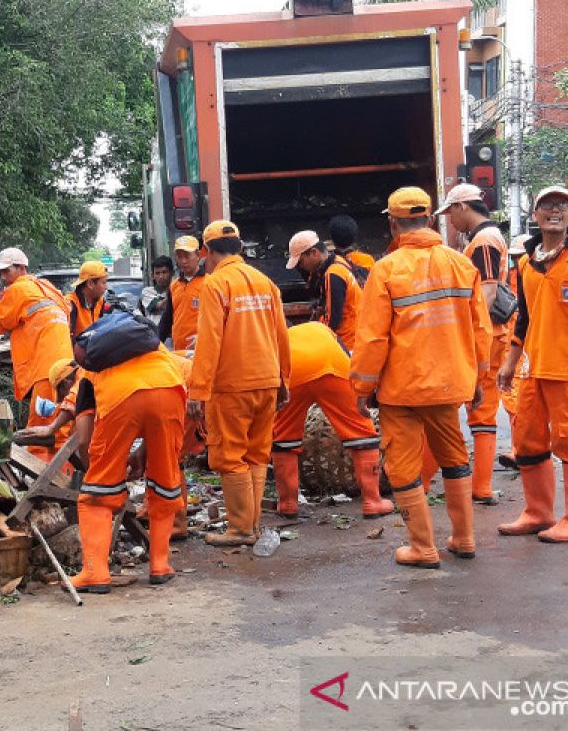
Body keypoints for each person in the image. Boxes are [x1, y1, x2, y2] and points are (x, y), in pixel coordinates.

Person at [350, 187, 491, 568]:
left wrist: (362, 387)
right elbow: (481, 329)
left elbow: (373, 337)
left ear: (394, 223)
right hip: (449, 385)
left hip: (403, 390)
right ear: (430, 220)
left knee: (403, 467)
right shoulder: (462, 265)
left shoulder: (387, 269)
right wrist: (478, 378)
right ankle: (463, 539)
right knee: (455, 458)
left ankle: (423, 548)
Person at [497, 186, 568, 543]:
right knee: (527, 440)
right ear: (535, 215)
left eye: (562, 206)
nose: (555, 210)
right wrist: (510, 362)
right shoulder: (526, 263)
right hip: (533, 367)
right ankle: (538, 512)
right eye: (547, 205)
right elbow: (524, 318)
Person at [188, 220, 290, 547]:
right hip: (266, 382)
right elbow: (281, 336)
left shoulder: (216, 284)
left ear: (206, 252)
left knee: (230, 457)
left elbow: (209, 343)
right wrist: (283, 382)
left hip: (232, 386)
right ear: (240, 248)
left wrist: (197, 391)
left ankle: (241, 530)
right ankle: (251, 523)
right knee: (258, 455)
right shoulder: (265, 282)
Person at [69, 333, 187, 592]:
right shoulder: (154, 350)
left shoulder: (88, 370)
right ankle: (160, 565)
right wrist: (143, 451)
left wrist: (97, 471)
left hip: (121, 398)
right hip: (170, 392)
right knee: (165, 482)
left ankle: (95, 573)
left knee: (95, 496)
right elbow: (153, 401)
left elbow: (84, 435)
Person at [433, 183, 510, 504]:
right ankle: (480, 486)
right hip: (492, 334)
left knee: (465, 409)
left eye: (450, 212)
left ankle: (475, 486)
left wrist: (463, 333)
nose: (450, 220)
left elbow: (488, 292)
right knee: (482, 410)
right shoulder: (487, 238)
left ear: (463, 206)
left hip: (484, 336)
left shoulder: (484, 241)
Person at [272, 321, 393, 519]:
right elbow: (347, 356)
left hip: (294, 371)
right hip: (333, 367)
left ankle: (287, 504)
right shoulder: (322, 329)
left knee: (283, 438)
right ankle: (372, 501)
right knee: (362, 432)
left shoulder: (281, 337)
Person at [0, 247, 73, 429]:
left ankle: (41, 458)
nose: (2, 277)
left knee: (42, 431)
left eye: (6, 271)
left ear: (21, 268)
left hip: (46, 371)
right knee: (62, 425)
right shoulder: (47, 287)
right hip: (66, 369)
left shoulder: (19, 289)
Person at [285, 229, 361, 351]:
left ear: (314, 252)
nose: (301, 267)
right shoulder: (339, 261)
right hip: (353, 337)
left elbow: (331, 321)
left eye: (301, 262)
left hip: (347, 343)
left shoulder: (333, 274)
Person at [499, 234, 532, 470]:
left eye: (521, 257)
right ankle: (520, 448)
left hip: (526, 347)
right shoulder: (512, 278)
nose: (517, 262)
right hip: (512, 346)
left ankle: (524, 449)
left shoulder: (534, 276)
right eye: (515, 258)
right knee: (512, 400)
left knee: (520, 399)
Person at [158, 236, 206, 350]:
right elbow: (167, 318)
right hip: (179, 351)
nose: (183, 261)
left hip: (202, 349)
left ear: (198, 256)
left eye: (187, 256)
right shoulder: (174, 286)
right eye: (180, 256)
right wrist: (156, 344)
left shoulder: (209, 283)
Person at [67, 261, 110, 336]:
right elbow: (69, 340)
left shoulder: (100, 301)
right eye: (103, 283)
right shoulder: (70, 304)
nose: (106, 287)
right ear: (90, 284)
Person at [141, 256, 173, 326]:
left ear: (171, 273)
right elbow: (162, 305)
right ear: (153, 275)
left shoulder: (178, 289)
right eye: (157, 273)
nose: (161, 276)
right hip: (155, 333)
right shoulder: (147, 292)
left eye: (164, 272)